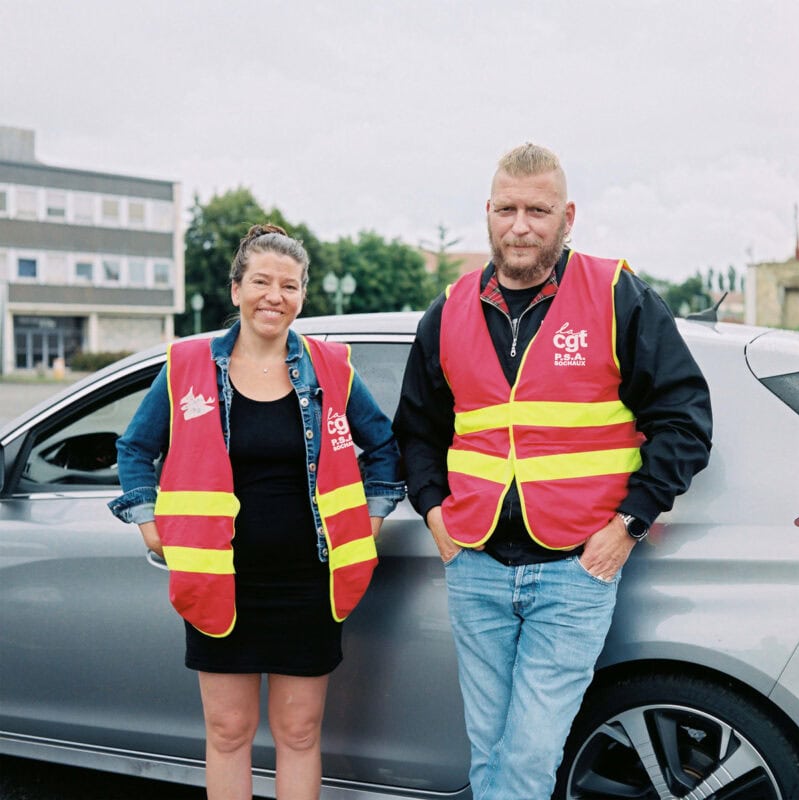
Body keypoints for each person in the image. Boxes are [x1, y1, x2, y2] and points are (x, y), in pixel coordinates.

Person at [393, 143, 712, 799]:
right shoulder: (447, 310)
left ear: (566, 216)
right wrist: (435, 516)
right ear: (487, 212)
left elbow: (685, 417)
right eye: (507, 208)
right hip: (475, 562)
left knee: (529, 759)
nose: (520, 225)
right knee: (489, 756)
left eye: (537, 210)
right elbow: (415, 431)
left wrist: (627, 525)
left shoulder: (616, 294)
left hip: (575, 569)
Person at [109, 223, 404, 800]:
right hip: (218, 580)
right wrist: (149, 524)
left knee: (298, 732)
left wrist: (370, 518)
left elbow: (384, 446)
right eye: (262, 282)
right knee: (227, 730)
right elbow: (133, 448)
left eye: (289, 286)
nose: (276, 296)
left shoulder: (331, 367)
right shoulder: (187, 365)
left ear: (301, 297)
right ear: (237, 289)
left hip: (307, 582)